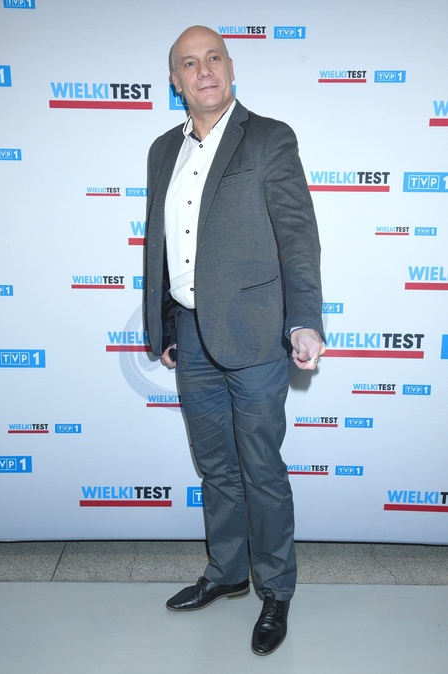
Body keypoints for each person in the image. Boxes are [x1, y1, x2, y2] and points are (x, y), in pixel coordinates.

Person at [144, 25, 325, 656]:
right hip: (192, 337)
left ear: (230, 65)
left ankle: (275, 589)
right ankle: (226, 573)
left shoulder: (270, 138)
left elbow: (298, 236)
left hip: (256, 336)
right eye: (189, 63)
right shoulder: (162, 150)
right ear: (176, 81)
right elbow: (162, 245)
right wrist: (168, 326)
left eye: (213, 58)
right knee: (215, 467)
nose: (203, 71)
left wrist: (303, 321)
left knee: (261, 468)